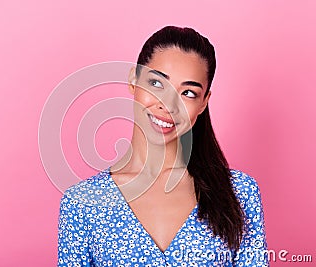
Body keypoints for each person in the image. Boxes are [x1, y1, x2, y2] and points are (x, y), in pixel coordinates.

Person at [57, 26, 268, 266]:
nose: (168, 105)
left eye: (188, 92)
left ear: (203, 103)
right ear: (133, 81)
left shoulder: (240, 194)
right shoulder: (82, 203)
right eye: (157, 84)